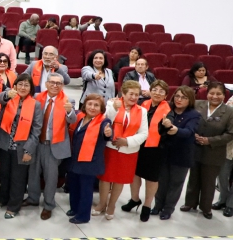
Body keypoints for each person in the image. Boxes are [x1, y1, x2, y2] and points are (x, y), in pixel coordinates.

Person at [23, 73, 77, 220]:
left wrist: (69, 111)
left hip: (54, 145)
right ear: (46, 84)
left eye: (58, 83)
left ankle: (48, 205)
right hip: (37, 142)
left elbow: (72, 120)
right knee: (33, 174)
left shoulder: (67, 100)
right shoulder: (37, 98)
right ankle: (33, 199)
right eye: (52, 82)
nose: (55, 85)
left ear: (62, 86)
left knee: (51, 178)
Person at [93, 80, 148, 220]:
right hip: (110, 148)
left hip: (129, 151)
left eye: (137, 94)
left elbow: (144, 133)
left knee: (119, 180)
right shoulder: (112, 104)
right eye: (131, 94)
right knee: (105, 178)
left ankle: (112, 205)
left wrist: (127, 142)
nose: (134, 97)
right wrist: (114, 109)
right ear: (123, 93)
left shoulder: (142, 111)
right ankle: (101, 204)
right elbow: (105, 122)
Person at [122, 80, 172, 221]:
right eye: (155, 90)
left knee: (151, 178)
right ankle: (134, 199)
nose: (157, 93)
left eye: (161, 91)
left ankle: (147, 205)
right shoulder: (143, 103)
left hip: (156, 149)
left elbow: (168, 129)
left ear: (166, 95)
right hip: (139, 145)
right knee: (135, 174)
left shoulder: (169, 109)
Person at [182, 82, 233, 219]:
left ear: (224, 95)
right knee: (193, 177)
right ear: (207, 93)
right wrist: (192, 134)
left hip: (214, 151)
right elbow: (187, 120)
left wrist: (209, 141)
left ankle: (206, 208)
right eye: (212, 93)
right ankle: (190, 203)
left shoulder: (229, 111)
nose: (214, 96)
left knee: (209, 181)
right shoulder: (198, 104)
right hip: (195, 148)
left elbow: (230, 134)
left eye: (218, 94)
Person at [0, 74, 41, 219]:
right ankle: (3, 199)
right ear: (15, 86)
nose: (23, 87)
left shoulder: (35, 104)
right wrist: (8, 93)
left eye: (26, 85)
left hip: (22, 147)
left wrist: (29, 150)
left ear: (31, 88)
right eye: (20, 84)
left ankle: (14, 206)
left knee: (18, 178)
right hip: (5, 144)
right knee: (5, 175)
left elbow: (37, 129)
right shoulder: (9, 98)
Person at [153, 86, 200, 220]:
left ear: (190, 99)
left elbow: (189, 131)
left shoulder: (194, 115)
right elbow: (159, 128)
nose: (179, 100)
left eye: (184, 97)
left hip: (182, 155)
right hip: (165, 152)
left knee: (175, 183)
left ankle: (168, 209)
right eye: (177, 96)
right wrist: (164, 126)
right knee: (162, 181)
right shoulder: (168, 109)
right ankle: (157, 206)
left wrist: (175, 130)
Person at [66, 94, 113, 224]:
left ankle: (83, 216)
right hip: (76, 159)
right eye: (90, 104)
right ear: (84, 105)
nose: (92, 107)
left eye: (96, 105)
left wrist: (108, 133)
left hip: (90, 162)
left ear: (101, 108)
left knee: (85, 190)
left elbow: (107, 133)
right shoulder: (81, 118)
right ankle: (74, 208)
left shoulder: (104, 121)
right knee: (74, 186)